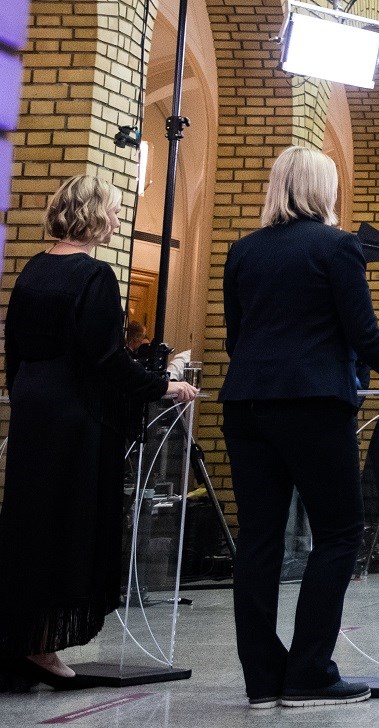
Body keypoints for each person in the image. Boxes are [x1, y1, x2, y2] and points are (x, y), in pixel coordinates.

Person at [221, 148, 379, 708]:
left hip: (246, 404)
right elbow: (364, 334)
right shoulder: (338, 247)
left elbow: (235, 336)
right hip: (315, 405)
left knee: (258, 539)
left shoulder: (242, 252)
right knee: (340, 532)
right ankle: (310, 671)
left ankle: (262, 677)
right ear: (324, 190)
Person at [1, 175, 199, 691]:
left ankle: (20, 642)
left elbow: (14, 352)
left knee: (30, 526)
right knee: (70, 525)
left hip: (32, 410)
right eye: (113, 211)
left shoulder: (33, 271)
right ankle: (42, 649)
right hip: (75, 416)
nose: (116, 219)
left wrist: (25, 399)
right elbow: (106, 359)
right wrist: (163, 386)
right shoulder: (94, 277)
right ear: (91, 216)